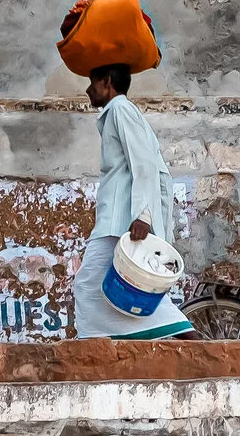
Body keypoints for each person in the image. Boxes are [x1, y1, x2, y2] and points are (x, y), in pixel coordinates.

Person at [71, 61, 190, 339]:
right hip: (118, 218)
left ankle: (90, 350)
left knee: (89, 284)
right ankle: (96, 346)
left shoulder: (121, 110)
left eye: (92, 83)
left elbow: (144, 163)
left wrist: (143, 216)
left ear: (107, 83)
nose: (88, 90)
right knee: (112, 286)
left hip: (121, 219)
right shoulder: (118, 113)